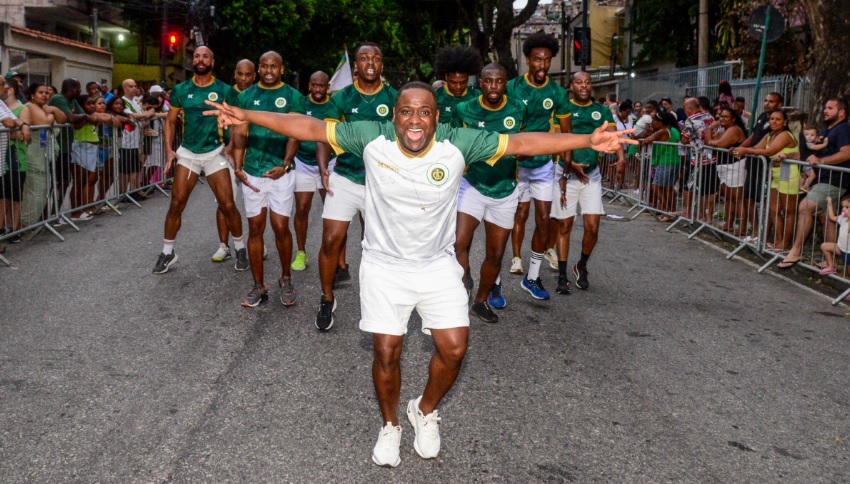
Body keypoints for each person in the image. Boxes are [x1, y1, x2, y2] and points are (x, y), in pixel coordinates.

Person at [204, 81, 632, 468]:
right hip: (384, 266)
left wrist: (587, 140)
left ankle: (424, 410)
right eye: (406, 110)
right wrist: (248, 115)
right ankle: (390, 425)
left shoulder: (459, 142)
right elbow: (309, 127)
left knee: (455, 349)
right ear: (394, 115)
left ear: (436, 117)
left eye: (424, 111)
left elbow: (522, 142)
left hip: (437, 264)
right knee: (387, 353)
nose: (414, 120)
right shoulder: (371, 137)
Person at [315, 42, 397, 330]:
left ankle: (380, 299)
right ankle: (327, 298)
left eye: (376, 57)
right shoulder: (341, 98)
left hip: (381, 182)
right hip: (346, 178)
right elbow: (324, 136)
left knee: (378, 245)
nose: (370, 62)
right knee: (330, 240)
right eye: (364, 58)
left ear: (381, 65)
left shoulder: (394, 97)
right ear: (356, 67)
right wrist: (324, 169)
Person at [154, 46, 244, 274]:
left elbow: (238, 120)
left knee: (227, 204)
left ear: (212, 61)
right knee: (176, 204)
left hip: (215, 153)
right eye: (196, 56)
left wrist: (231, 146)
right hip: (189, 154)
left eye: (205, 56)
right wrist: (169, 150)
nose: (200, 59)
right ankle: (167, 252)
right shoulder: (181, 90)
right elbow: (171, 122)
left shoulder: (224, 89)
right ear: (192, 60)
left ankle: (240, 247)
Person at [451, 63, 527, 321]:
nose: (493, 86)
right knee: (458, 243)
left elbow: (525, 141)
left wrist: (521, 151)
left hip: (505, 190)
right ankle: (462, 287)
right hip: (472, 184)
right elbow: (452, 143)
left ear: (506, 83)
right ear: (480, 83)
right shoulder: (464, 109)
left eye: (499, 81)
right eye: (488, 81)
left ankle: (480, 302)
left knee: (495, 254)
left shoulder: (518, 108)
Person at [228, 51, 303, 307]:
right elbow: (240, 133)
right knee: (256, 229)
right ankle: (259, 285)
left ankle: (285, 277)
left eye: (274, 66)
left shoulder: (293, 96)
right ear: (259, 69)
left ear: (281, 69)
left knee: (281, 226)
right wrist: (238, 167)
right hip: (253, 172)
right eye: (265, 66)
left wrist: (285, 164)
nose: (269, 70)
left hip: (281, 173)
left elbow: (296, 134)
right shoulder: (246, 96)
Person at [506, 32, 571, 301]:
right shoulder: (512, 87)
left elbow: (567, 134)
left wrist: (566, 167)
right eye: (536, 60)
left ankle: (532, 277)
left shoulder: (557, 92)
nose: (541, 66)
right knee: (507, 220)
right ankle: (497, 277)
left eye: (546, 60)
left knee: (544, 219)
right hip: (514, 166)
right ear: (527, 60)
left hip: (543, 166)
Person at [551, 71, 622, 293]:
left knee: (592, 228)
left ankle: (581, 265)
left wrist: (621, 158)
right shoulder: (563, 109)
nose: (584, 85)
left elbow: (613, 137)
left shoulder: (601, 111)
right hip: (565, 174)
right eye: (579, 82)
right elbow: (555, 141)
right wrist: (571, 165)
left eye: (587, 82)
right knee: (565, 225)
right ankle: (562, 276)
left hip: (591, 176)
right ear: (571, 85)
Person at [778, 98, 850, 269]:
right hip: (823, 179)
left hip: (834, 180)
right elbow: (808, 155)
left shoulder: (843, 129)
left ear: (841, 112)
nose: (825, 110)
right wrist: (788, 156)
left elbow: (847, 153)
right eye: (825, 107)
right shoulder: (826, 131)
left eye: (830, 108)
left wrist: (821, 161)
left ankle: (795, 252)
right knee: (827, 219)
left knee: (805, 207)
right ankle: (830, 262)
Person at [288, 71, 334, 272]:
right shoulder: (301, 104)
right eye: (314, 85)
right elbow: (293, 134)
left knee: (332, 210)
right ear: (309, 86)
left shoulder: (333, 105)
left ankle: (330, 250)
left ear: (327, 87)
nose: (318, 89)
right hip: (304, 161)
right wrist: (287, 161)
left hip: (330, 163)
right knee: (302, 209)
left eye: (321, 86)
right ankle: (301, 252)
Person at [212, 58, 256, 263]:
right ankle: (224, 246)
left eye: (249, 74)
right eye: (241, 74)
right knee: (224, 203)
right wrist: (225, 145)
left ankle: (256, 244)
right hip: (227, 157)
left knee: (255, 207)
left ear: (254, 76)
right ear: (235, 74)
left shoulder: (259, 95)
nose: (244, 78)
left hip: (254, 158)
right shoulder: (226, 95)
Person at [20, 82, 65, 227]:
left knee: (42, 191)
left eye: (47, 92)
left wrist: (53, 109)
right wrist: (51, 115)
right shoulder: (30, 107)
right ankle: (27, 223)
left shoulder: (45, 107)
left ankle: (31, 223)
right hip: (34, 156)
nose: (45, 95)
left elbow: (63, 119)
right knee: (37, 192)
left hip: (44, 156)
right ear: (32, 95)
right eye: (41, 92)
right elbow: (46, 123)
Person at [740, 92, 784, 237]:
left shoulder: (778, 123)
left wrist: (746, 150)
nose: (767, 103)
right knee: (748, 197)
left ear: (779, 105)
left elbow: (769, 145)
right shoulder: (761, 117)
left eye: (771, 101)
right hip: (753, 161)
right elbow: (753, 136)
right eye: (766, 100)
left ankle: (766, 233)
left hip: (766, 165)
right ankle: (756, 230)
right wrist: (742, 147)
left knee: (766, 202)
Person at [47, 79, 92, 217]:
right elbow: (72, 118)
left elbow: (78, 123)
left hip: (68, 147)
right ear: (72, 88)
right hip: (59, 147)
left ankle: (56, 214)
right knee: (60, 182)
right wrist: (83, 116)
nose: (80, 91)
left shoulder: (73, 101)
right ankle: (49, 215)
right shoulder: (59, 99)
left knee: (65, 182)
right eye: (78, 88)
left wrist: (81, 117)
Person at [705, 106, 747, 234]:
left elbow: (720, 144)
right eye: (721, 116)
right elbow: (708, 142)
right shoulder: (722, 129)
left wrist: (713, 141)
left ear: (733, 119)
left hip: (735, 165)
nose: (722, 119)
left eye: (725, 117)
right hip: (724, 166)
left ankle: (742, 226)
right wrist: (711, 128)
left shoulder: (734, 130)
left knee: (737, 198)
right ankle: (728, 223)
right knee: (728, 197)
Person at [680, 97, 716, 221]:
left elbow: (684, 140)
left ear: (689, 108)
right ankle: (708, 217)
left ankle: (689, 212)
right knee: (710, 190)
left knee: (689, 187)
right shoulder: (710, 117)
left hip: (698, 159)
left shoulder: (690, 120)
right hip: (712, 157)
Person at [118, 79, 155, 200]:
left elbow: (142, 118)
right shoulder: (123, 102)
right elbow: (134, 116)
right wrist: (147, 114)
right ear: (124, 89)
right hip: (125, 141)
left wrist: (145, 116)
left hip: (136, 141)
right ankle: (123, 193)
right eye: (130, 86)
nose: (134, 88)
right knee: (125, 169)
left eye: (135, 86)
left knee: (135, 167)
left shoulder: (135, 101)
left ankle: (134, 190)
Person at [432, 45, 482, 125]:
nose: (458, 87)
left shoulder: (477, 96)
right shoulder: (435, 96)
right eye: (453, 82)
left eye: (463, 82)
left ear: (468, 78)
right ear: (446, 77)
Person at [818, 196, 850, 276]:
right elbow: (832, 217)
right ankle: (831, 266)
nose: (843, 209)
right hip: (840, 248)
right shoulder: (843, 218)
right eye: (843, 207)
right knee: (824, 246)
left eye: (847, 207)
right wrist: (829, 204)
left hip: (848, 252)